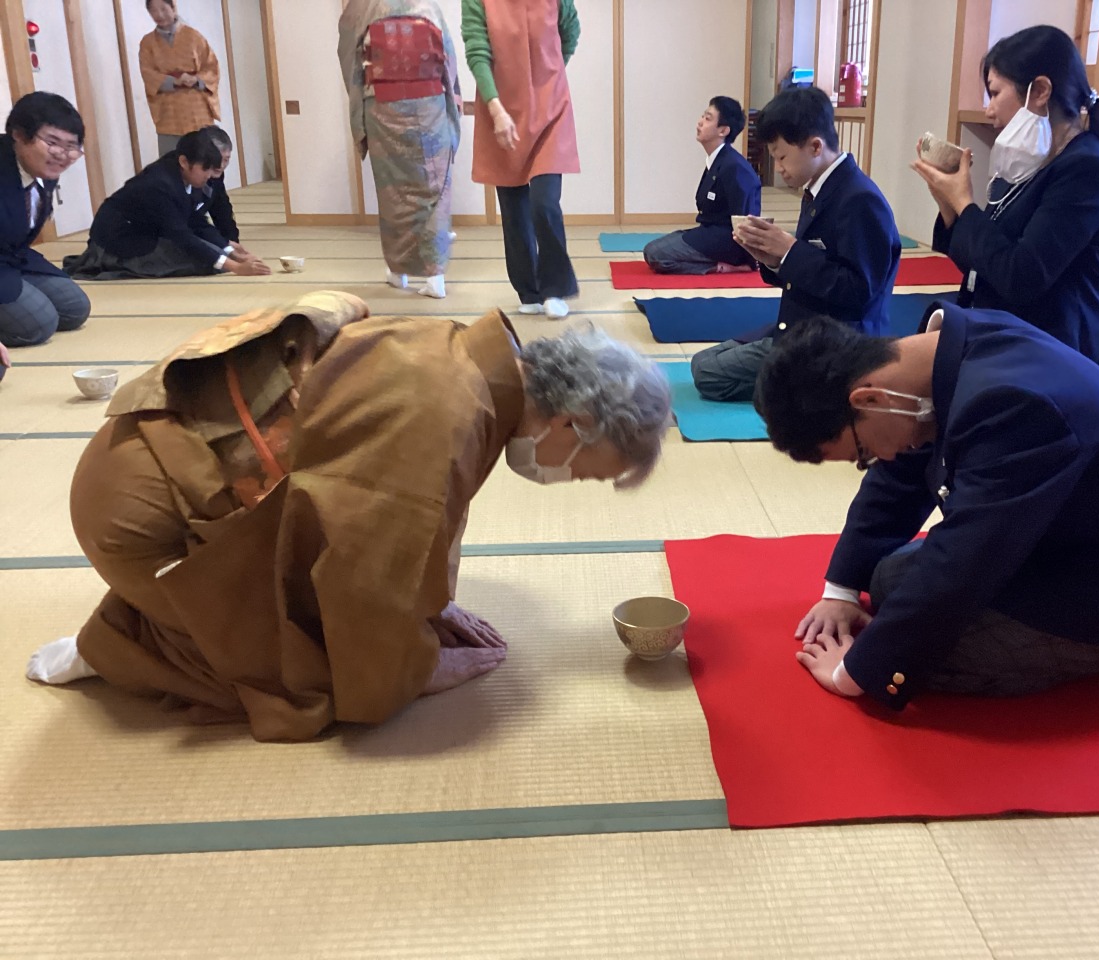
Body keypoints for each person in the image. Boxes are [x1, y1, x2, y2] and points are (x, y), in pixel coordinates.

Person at [26, 291, 672, 742]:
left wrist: (431, 606)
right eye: (590, 470)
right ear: (572, 423)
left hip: (150, 458)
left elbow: (382, 520)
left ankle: (168, 617)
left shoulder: (467, 359)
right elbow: (365, 583)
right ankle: (117, 649)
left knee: (366, 618)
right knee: (305, 678)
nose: (572, 481)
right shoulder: (447, 414)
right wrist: (418, 662)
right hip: (143, 520)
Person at [754, 303, 1099, 711]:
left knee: (923, 659)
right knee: (887, 582)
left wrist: (854, 673)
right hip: (1077, 538)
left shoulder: (1012, 401)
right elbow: (901, 481)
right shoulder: (934, 358)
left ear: (869, 398)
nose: (877, 459)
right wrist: (841, 591)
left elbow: (964, 562)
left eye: (861, 453)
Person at [912, 25, 1099, 368]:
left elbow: (1020, 277)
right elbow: (987, 262)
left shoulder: (1086, 168)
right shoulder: (1032, 158)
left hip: (1053, 354)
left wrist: (964, 204)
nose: (989, 110)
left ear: (1039, 91)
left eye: (995, 93)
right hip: (1003, 332)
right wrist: (948, 204)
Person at [690, 86, 900, 403]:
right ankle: (796, 386)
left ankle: (819, 389)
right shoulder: (819, 188)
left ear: (815, 147)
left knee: (708, 374)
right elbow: (807, 268)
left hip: (837, 343)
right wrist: (771, 257)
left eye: (782, 157)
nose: (779, 168)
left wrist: (789, 251)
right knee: (702, 362)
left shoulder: (859, 200)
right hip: (804, 324)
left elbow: (858, 291)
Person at [463, 0, 580, 319]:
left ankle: (555, 289)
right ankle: (528, 290)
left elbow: (570, 31)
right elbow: (477, 50)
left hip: (550, 108)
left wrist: (550, 76)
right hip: (501, 108)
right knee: (514, 209)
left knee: (544, 203)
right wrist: (496, 108)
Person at [339, 0, 462, 300]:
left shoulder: (363, 7)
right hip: (429, 107)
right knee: (433, 190)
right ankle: (435, 276)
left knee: (392, 192)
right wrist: (452, 106)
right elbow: (448, 61)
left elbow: (348, 54)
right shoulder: (428, 7)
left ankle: (398, 272)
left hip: (383, 106)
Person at [63, 129, 271, 280]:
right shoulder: (160, 184)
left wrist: (228, 249)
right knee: (204, 262)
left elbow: (195, 221)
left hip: (150, 233)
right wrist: (235, 267)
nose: (210, 176)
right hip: (119, 241)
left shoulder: (184, 174)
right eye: (205, 169)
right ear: (184, 162)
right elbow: (180, 234)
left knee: (213, 255)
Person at [0, 92, 91, 350]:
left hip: (12, 257)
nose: (62, 154)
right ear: (19, 135)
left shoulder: (41, 167)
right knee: (39, 324)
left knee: (75, 308)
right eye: (52, 142)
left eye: (71, 146)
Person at [642, 97, 761, 275]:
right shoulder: (717, 160)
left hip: (728, 242)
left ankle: (727, 267)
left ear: (723, 130)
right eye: (703, 116)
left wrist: (750, 258)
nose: (700, 122)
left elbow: (746, 219)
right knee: (652, 249)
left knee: (656, 255)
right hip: (710, 233)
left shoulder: (735, 167)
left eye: (708, 118)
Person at [138, 0, 221, 156]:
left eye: (163, 9)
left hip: (196, 108)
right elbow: (148, 74)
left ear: (173, 7)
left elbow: (212, 67)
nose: (159, 15)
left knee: (202, 158)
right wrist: (173, 81)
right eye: (154, 11)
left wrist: (196, 79)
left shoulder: (194, 36)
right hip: (168, 110)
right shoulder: (147, 43)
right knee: (171, 160)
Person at [198, 126, 264, 268]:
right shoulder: (181, 178)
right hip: (167, 237)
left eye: (226, 160)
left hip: (196, 227)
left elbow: (222, 209)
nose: (220, 166)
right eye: (217, 159)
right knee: (214, 262)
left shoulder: (216, 174)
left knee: (220, 254)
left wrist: (232, 243)